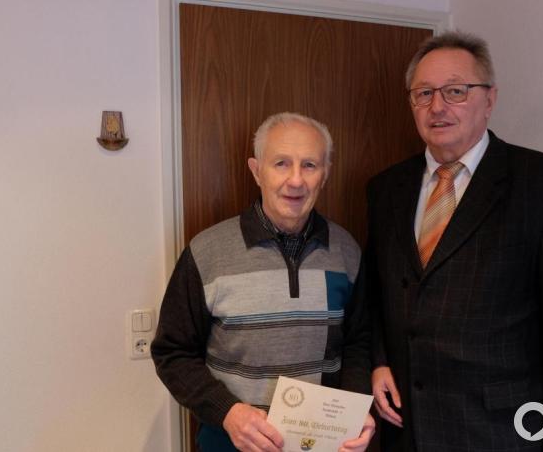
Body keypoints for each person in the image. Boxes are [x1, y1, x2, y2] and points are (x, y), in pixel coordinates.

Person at [363, 31, 543, 451]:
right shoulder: (386, 189)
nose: (437, 106)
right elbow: (376, 297)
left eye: (456, 91)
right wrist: (379, 359)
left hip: (500, 435)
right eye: (423, 93)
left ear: (489, 99)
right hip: (405, 431)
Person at [152, 112, 375, 452]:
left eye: (310, 165)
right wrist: (227, 412)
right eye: (281, 164)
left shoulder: (346, 251)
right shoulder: (206, 252)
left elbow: (358, 343)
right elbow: (172, 352)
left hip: (324, 444)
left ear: (325, 175)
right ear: (257, 171)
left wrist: (356, 408)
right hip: (231, 442)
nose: (296, 180)